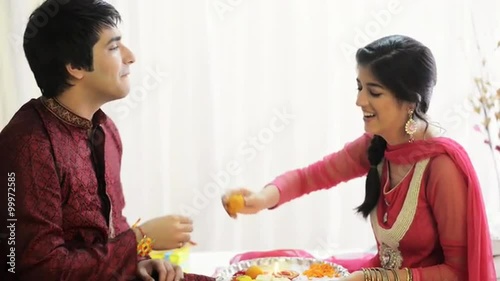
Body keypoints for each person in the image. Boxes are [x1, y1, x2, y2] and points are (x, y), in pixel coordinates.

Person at [222, 35, 497, 281]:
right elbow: (311, 176)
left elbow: (458, 273)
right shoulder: (378, 145)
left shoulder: (442, 167)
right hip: (371, 273)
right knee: (250, 266)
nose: (360, 101)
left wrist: (373, 279)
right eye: (359, 87)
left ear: (411, 101)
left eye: (373, 92)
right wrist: (260, 199)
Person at [0, 1, 209, 281]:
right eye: (113, 47)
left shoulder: (105, 130)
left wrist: (142, 261)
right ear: (74, 65)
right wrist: (141, 238)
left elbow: (112, 231)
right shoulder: (27, 144)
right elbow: (37, 269)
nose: (130, 56)